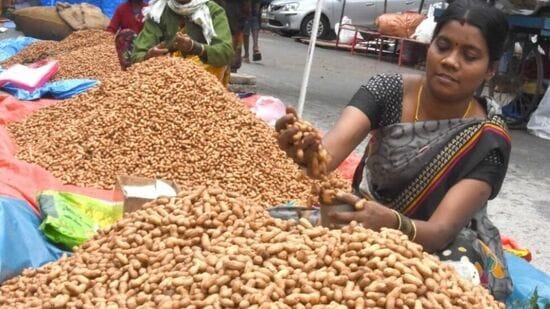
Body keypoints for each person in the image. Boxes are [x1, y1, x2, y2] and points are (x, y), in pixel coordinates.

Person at [276, 0, 512, 301]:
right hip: (366, 216)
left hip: (437, 238)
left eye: (470, 56)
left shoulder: (488, 138)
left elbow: (440, 231)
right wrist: (303, 150)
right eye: (443, 46)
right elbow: (326, 159)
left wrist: (390, 223)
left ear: (490, 70)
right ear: (429, 47)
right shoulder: (386, 91)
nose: (451, 61)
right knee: (279, 226)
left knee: (453, 280)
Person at [118, 0, 233, 86]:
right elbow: (137, 55)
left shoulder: (213, 11)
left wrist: (195, 47)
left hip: (202, 74)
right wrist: (149, 56)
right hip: (164, 75)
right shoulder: (159, 11)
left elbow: (225, 52)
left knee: (217, 62)